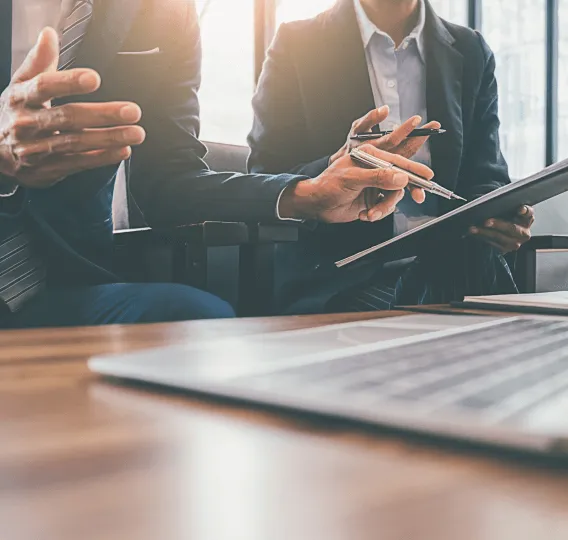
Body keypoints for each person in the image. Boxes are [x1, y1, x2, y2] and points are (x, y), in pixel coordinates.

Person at [0, 0, 424, 328]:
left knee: (200, 320)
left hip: (59, 282)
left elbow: (170, 180)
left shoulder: (164, 11)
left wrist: (306, 194)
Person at [248, 0, 535, 315]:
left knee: (466, 268)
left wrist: (501, 221)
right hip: (345, 276)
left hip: (455, 261)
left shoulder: (471, 50)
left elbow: (486, 176)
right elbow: (266, 174)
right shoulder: (298, 44)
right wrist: (335, 167)